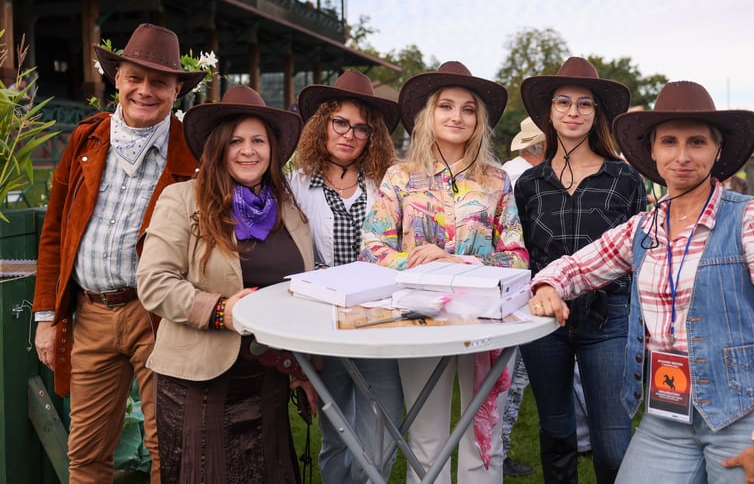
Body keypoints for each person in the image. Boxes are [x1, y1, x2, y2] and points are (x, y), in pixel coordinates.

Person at [528, 80, 754, 483]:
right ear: (652, 151)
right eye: (669, 142)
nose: (681, 156)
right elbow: (576, 266)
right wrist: (548, 286)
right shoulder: (645, 228)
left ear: (717, 150)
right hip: (669, 413)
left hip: (745, 412)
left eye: (696, 142)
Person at [31, 23, 206, 483]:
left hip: (159, 318)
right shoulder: (86, 139)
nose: (144, 91)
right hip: (91, 314)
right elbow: (54, 232)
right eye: (135, 78)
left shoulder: (191, 151)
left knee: (170, 449)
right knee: (85, 452)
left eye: (159, 82)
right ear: (117, 80)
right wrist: (47, 318)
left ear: (176, 90)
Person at [136, 85, 317, 483]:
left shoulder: (288, 209)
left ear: (272, 149)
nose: (247, 151)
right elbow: (153, 283)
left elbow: (299, 289)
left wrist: (302, 368)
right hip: (200, 382)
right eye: (235, 141)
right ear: (217, 147)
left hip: (267, 378)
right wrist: (220, 311)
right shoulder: (181, 199)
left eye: (258, 141)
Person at [360, 61, 528, 484]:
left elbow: (517, 257)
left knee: (483, 435)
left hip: (484, 318)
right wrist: (425, 263)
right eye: (446, 106)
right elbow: (372, 249)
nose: (457, 116)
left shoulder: (496, 180)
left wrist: (464, 263)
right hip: (421, 317)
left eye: (468, 109)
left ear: (479, 121)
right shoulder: (400, 176)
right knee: (426, 436)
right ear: (428, 115)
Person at [515, 57, 646, 483]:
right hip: (545, 323)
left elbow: (638, 253)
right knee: (555, 428)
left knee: (613, 441)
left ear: (596, 113)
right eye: (563, 102)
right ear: (549, 112)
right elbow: (523, 254)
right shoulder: (529, 184)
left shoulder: (624, 178)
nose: (573, 111)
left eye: (584, 103)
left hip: (609, 320)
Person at [288, 70, 403, 483]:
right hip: (325, 322)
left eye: (361, 128)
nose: (350, 135)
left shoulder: (386, 183)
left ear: (372, 136)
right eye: (340, 122)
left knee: (385, 425)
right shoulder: (297, 184)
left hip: (379, 320)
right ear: (322, 124)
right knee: (336, 429)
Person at [499, 116, 545, 477]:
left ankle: (494, 452)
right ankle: (496, 453)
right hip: (517, 283)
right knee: (511, 379)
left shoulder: (506, 171)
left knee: (508, 377)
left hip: (510, 284)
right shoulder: (522, 178)